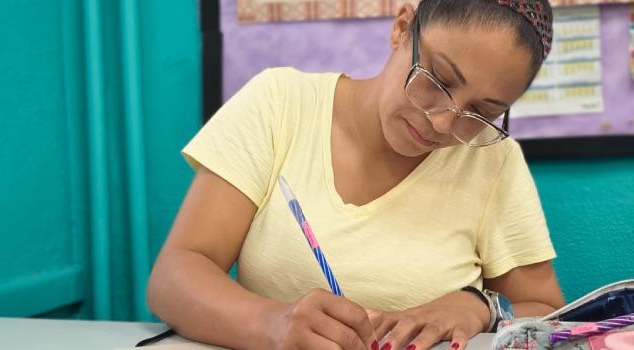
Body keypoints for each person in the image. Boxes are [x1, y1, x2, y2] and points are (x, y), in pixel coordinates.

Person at [147, 1, 564, 349]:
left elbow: (548, 312)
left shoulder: (494, 160)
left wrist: (479, 306)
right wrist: (274, 325)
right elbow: (175, 276)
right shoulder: (279, 104)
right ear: (401, 29)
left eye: (482, 112)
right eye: (437, 80)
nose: (441, 123)